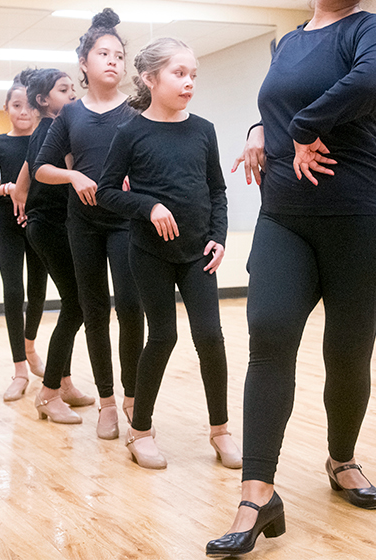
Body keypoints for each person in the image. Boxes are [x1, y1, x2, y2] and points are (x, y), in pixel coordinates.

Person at [206, 0, 376, 557]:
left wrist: (300, 125)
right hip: (285, 216)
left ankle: (341, 460)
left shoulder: (372, 30)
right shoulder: (287, 43)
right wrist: (258, 130)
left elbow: (369, 86)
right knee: (268, 338)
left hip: (364, 218)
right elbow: (277, 103)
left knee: (346, 355)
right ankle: (257, 492)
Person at [97, 37, 240, 470]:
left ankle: (221, 431)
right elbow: (105, 193)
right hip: (150, 254)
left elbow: (217, 190)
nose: (189, 82)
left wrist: (219, 236)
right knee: (162, 336)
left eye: (193, 75)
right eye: (179, 74)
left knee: (210, 338)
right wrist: (148, 205)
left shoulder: (204, 130)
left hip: (198, 253)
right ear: (150, 78)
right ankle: (140, 431)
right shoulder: (130, 132)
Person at [35, 8, 144, 440]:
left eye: (119, 54)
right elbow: (43, 168)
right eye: (104, 53)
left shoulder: (137, 112)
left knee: (131, 309)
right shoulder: (70, 116)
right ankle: (107, 404)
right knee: (95, 312)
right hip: (81, 224)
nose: (113, 61)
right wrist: (73, 174)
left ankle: (134, 399)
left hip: (124, 222)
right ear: (85, 63)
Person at [13, 68, 94, 424]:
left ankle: (63, 382)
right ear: (44, 101)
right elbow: (44, 167)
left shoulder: (49, 129)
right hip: (50, 226)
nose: (73, 94)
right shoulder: (53, 129)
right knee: (76, 306)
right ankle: (49, 392)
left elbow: (28, 171)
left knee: (74, 304)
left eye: (73, 88)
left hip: (53, 224)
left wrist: (20, 194)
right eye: (64, 90)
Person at [0, 71, 49, 401]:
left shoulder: (47, 139)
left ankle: (30, 348)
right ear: (6, 107)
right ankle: (19, 368)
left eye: (28, 106)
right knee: (14, 292)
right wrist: (5, 188)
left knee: (38, 291)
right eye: (16, 105)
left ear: (37, 107)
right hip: (9, 225)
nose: (23, 112)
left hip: (41, 223)